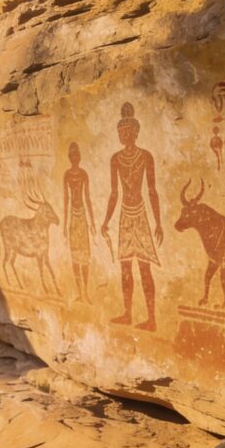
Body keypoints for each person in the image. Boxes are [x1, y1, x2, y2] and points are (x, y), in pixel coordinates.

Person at [101, 102, 163, 331]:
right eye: (120, 131)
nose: (123, 135)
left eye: (127, 131)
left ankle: (152, 318)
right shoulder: (115, 159)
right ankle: (127, 313)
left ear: (136, 132)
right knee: (125, 267)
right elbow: (114, 193)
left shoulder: (146, 156)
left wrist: (158, 222)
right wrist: (106, 221)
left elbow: (152, 190)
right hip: (125, 216)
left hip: (141, 215)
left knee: (144, 267)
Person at [62, 142, 95, 303]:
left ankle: (86, 292)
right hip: (73, 219)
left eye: (77, 155)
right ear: (70, 158)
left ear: (79, 157)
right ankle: (79, 293)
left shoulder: (83, 174)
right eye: (72, 155)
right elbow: (66, 199)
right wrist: (64, 224)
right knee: (75, 256)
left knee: (85, 256)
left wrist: (92, 222)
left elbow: (87, 197)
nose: (75, 158)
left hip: (82, 217)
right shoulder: (67, 175)